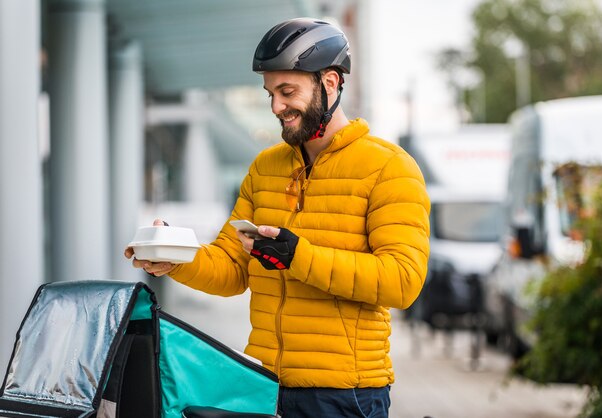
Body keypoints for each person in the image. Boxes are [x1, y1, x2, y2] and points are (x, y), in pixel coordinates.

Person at [125, 17, 430, 418]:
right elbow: (233, 270)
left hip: (343, 395)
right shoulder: (265, 168)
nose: (276, 107)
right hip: (263, 383)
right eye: (270, 93)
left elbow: (402, 281)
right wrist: (177, 257)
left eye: (287, 92)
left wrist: (297, 256)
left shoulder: (389, 168)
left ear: (331, 83)